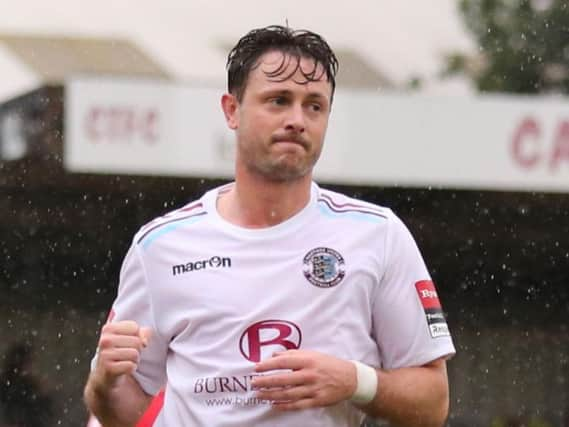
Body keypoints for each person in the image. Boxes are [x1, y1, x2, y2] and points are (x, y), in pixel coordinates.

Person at [84, 25, 456, 427]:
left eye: (315, 106)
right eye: (279, 101)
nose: (297, 119)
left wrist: (354, 381)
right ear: (231, 110)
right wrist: (104, 381)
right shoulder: (160, 246)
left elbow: (433, 403)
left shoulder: (378, 236)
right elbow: (126, 413)